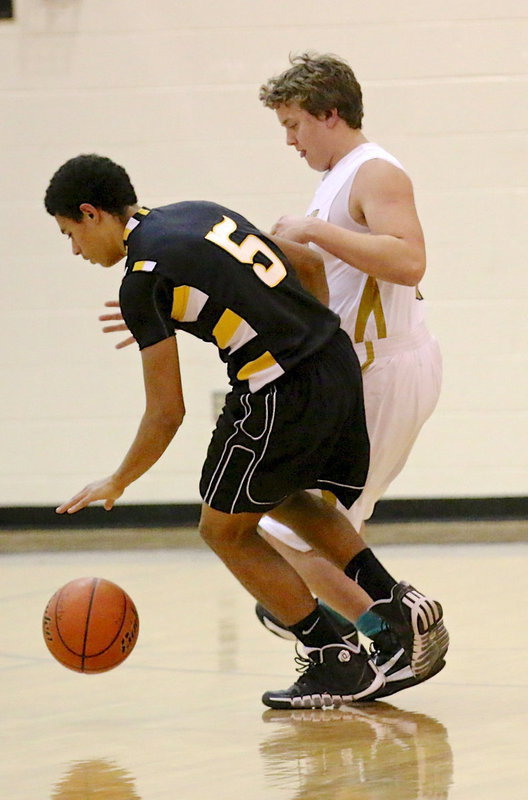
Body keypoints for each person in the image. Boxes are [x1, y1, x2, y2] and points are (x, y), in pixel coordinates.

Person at [44, 152, 391, 710]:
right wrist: (306, 336)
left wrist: (119, 479)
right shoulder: (193, 213)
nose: (75, 250)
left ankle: (335, 658)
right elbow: (307, 263)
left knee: (222, 529)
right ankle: (400, 608)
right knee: (278, 495)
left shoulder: (143, 278)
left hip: (278, 387)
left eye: (70, 234)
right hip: (334, 360)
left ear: (91, 213)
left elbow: (167, 412)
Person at [249, 52, 448, 696]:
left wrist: (313, 230)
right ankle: (370, 630)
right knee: (292, 526)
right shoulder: (340, 177)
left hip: (382, 371)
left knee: (286, 531)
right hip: (361, 371)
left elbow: (409, 260)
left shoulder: (376, 171)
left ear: (329, 113)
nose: (289, 140)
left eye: (294, 124)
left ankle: (388, 636)